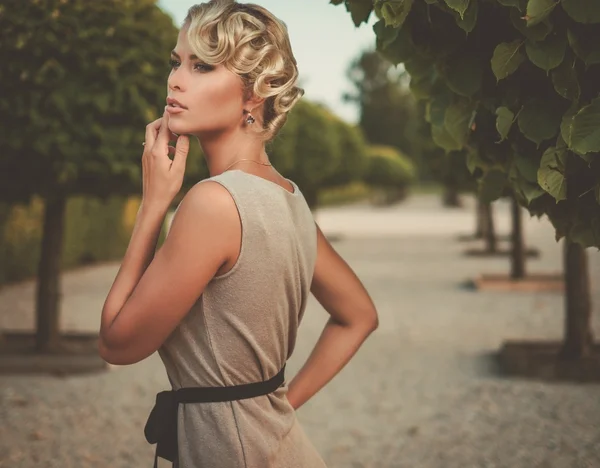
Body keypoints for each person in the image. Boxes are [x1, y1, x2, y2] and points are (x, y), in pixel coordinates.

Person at [98, 1, 379, 466]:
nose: (176, 80)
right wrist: (278, 406)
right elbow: (360, 315)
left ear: (254, 93)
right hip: (281, 446)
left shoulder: (212, 203)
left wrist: (153, 204)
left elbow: (116, 343)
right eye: (177, 62)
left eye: (203, 66)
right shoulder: (291, 199)